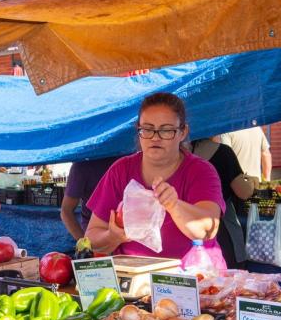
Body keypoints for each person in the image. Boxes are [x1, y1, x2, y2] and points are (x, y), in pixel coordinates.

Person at [85, 92, 225, 258]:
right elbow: (91, 237)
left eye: (166, 131)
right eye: (148, 129)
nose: (155, 138)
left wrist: (174, 205)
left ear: (183, 132)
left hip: (194, 278)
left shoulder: (201, 171)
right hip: (135, 279)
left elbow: (208, 229)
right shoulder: (120, 170)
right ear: (138, 130)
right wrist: (112, 237)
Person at [191, 138, 257, 268]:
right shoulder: (223, 152)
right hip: (222, 227)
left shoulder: (175, 156)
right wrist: (252, 182)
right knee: (230, 277)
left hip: (189, 227)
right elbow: (243, 192)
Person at [60, 156, 119, 240]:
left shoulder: (129, 159)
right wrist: (85, 245)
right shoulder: (81, 166)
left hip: (127, 228)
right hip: (95, 229)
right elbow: (66, 211)